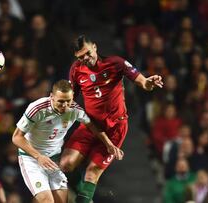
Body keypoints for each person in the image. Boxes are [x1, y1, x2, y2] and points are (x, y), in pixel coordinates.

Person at [59, 35, 164, 203]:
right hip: (89, 125)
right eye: (80, 57)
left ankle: (83, 199)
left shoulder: (116, 63)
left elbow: (142, 82)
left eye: (87, 53)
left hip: (115, 128)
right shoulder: (76, 70)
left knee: (92, 172)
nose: (85, 59)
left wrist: (149, 82)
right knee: (65, 164)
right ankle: (83, 193)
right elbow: (70, 98)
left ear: (95, 46)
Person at [12, 79, 123, 203]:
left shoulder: (75, 110)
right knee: (46, 200)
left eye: (68, 101)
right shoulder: (37, 109)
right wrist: (38, 156)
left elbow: (92, 125)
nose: (64, 106)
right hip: (31, 159)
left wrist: (109, 144)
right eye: (60, 101)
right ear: (51, 97)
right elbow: (17, 137)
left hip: (53, 160)